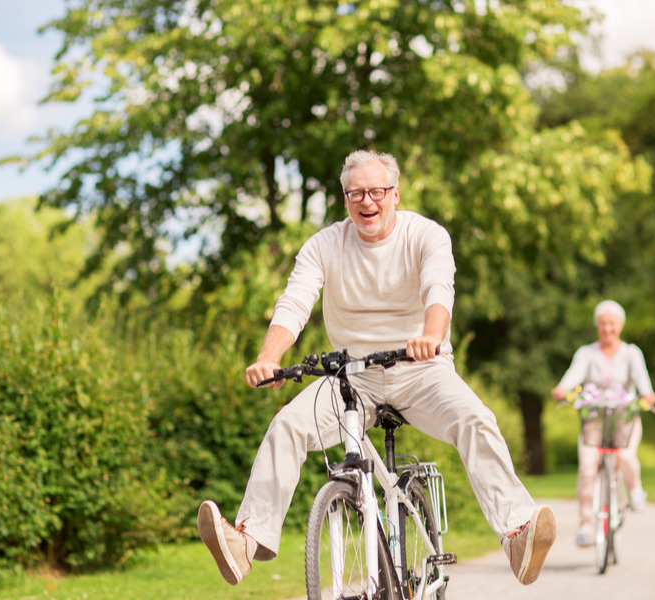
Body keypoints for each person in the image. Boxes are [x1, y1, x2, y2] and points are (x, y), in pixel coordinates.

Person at [197, 149, 557, 587]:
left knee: (476, 419)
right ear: (345, 199)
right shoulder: (324, 245)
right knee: (287, 426)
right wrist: (268, 357)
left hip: (421, 369)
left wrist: (431, 334)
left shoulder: (426, 235)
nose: (367, 202)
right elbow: (295, 302)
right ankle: (246, 543)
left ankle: (517, 534)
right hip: (352, 377)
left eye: (376, 191)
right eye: (355, 194)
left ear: (395, 194)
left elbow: (438, 290)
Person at [550, 300, 655, 548]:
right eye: (603, 324)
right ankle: (586, 525)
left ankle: (635, 489)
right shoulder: (587, 353)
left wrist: (647, 395)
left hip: (624, 419)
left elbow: (644, 383)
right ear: (597, 326)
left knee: (626, 456)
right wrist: (563, 389)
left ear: (619, 326)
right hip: (594, 420)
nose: (607, 329)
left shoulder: (632, 353)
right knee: (588, 467)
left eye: (612, 324)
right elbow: (573, 376)